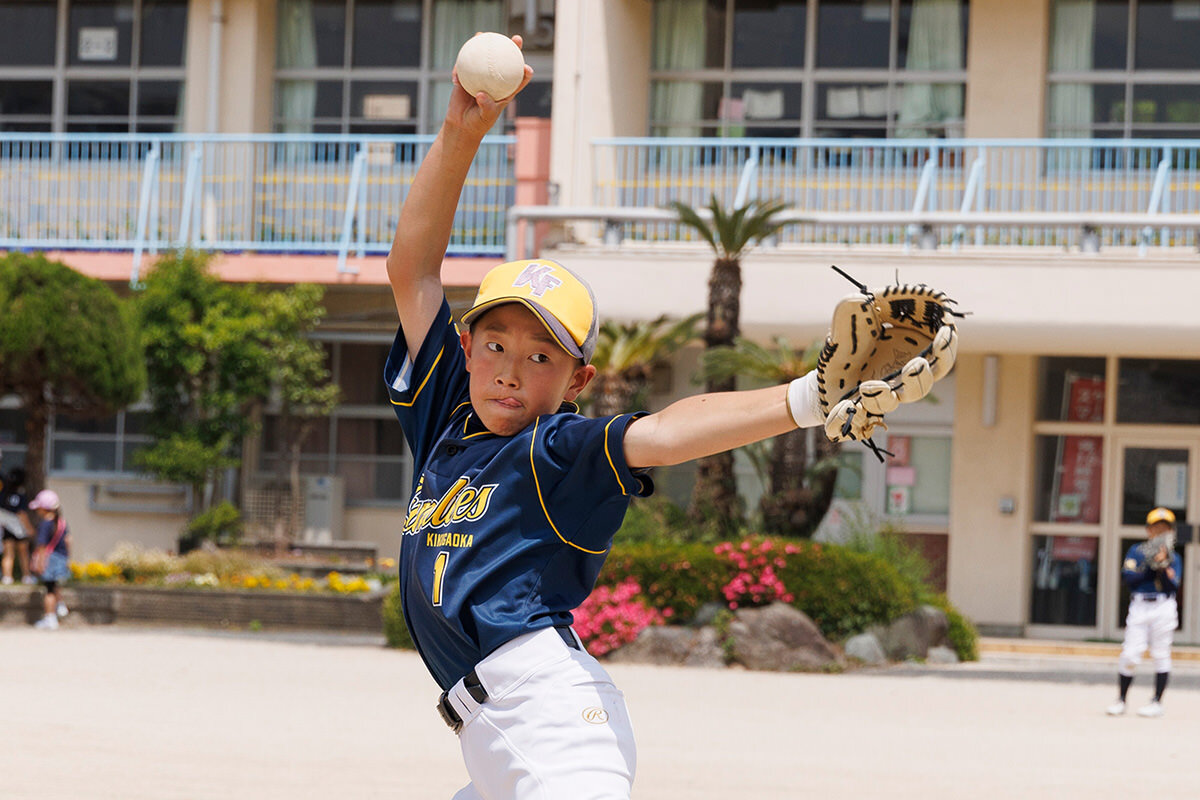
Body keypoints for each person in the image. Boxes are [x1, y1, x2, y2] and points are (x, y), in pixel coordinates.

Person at [383, 35, 855, 799]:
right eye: (496, 342)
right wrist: (460, 136)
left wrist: (809, 396)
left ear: (579, 380)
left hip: (552, 725)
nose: (510, 367)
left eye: (541, 356)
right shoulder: (446, 418)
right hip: (494, 738)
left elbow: (666, 433)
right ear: (466, 347)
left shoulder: (558, 448)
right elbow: (412, 270)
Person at [1106, 507, 1183, 718]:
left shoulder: (1173, 557)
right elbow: (1129, 579)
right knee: (1130, 653)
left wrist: (1162, 566)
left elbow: (1172, 587)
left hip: (1163, 606)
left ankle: (1157, 701)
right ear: (1149, 530)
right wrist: (1150, 566)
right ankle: (1121, 699)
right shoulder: (1137, 552)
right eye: (1156, 528)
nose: (1160, 533)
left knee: (1161, 653)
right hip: (1140, 605)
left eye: (1164, 529)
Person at [28, 489, 70, 630]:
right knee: (55, 584)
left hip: (49, 559)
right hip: (61, 557)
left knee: (49, 589)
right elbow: (69, 540)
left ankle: (50, 617)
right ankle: (60, 605)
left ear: (44, 508)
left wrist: (40, 563)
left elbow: (41, 546)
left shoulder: (45, 524)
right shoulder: (61, 522)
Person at [0, 466, 37, 585]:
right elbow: (22, 514)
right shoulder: (21, 495)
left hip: (7, 527)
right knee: (23, 553)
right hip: (19, 528)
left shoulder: (3, 494)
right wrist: (29, 529)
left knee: (8, 554)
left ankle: (7, 577)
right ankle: (26, 576)